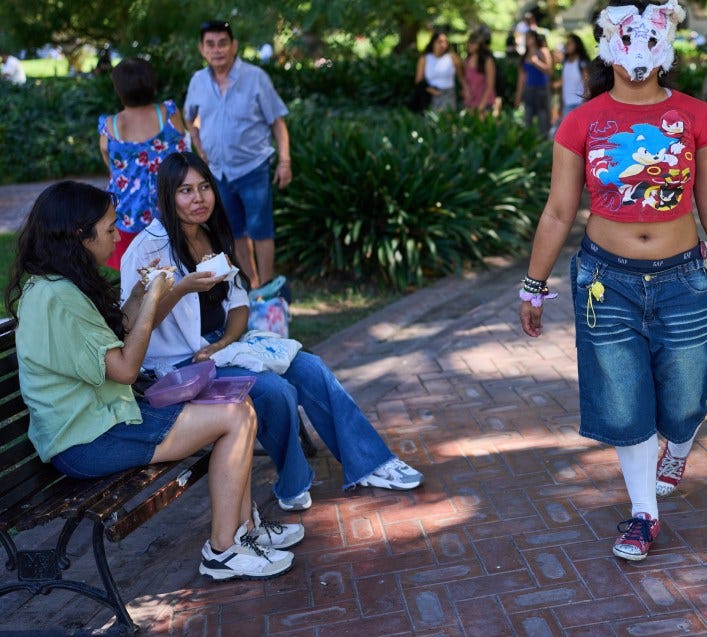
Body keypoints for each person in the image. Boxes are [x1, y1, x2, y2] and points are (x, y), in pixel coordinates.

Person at [519, 0, 707, 563]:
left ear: (667, 43)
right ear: (608, 44)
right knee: (627, 403)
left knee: (685, 397)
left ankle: (677, 448)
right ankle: (642, 514)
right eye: (625, 40)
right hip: (607, 282)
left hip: (681, 277)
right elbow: (559, 212)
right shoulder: (581, 121)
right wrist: (533, 286)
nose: (638, 53)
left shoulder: (698, 116)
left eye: (650, 39)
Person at [4, 180, 302, 581]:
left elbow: (116, 332)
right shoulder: (58, 298)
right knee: (235, 416)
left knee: (238, 408)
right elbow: (126, 367)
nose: (116, 237)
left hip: (102, 420)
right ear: (80, 235)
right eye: (109, 230)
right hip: (88, 438)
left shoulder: (57, 283)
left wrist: (145, 290)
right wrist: (163, 291)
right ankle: (222, 550)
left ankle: (244, 532)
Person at [120, 152, 424, 513]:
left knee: (311, 368)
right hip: (179, 368)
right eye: (185, 190)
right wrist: (183, 288)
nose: (198, 198)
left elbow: (239, 302)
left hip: (221, 348)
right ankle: (293, 481)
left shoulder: (210, 234)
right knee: (272, 389)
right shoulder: (146, 249)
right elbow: (136, 327)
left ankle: (371, 462)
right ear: (166, 196)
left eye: (204, 187)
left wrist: (223, 342)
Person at [185, 19, 291, 288]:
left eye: (223, 43)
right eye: (210, 44)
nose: (217, 50)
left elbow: (277, 122)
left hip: (252, 168)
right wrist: (199, 147)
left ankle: (267, 288)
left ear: (234, 46)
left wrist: (285, 161)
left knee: (261, 230)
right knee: (235, 232)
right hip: (218, 172)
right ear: (201, 49)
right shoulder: (198, 81)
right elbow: (189, 119)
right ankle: (252, 285)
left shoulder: (255, 77)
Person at [98, 57, 188, 269]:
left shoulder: (111, 125)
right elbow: (183, 144)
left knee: (134, 273)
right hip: (170, 208)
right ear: (151, 83)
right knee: (176, 269)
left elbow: (108, 160)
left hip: (128, 213)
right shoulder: (169, 114)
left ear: (118, 89)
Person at [514, 30, 554, 135]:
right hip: (529, 89)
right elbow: (521, 77)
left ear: (535, 38)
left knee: (543, 117)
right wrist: (518, 95)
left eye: (530, 37)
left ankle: (544, 141)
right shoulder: (524, 55)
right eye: (526, 37)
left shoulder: (543, 51)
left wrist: (536, 62)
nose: (527, 39)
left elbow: (549, 70)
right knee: (527, 117)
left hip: (542, 89)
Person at [414, 31, 463, 112]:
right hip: (431, 95)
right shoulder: (425, 58)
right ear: (433, 43)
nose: (442, 45)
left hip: (449, 94)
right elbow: (418, 81)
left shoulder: (452, 57)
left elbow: (461, 77)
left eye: (445, 42)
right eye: (439, 42)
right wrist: (431, 90)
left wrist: (466, 90)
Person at [556, 34, 590, 123]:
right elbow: (564, 84)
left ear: (577, 45)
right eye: (566, 43)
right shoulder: (565, 63)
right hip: (567, 104)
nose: (567, 45)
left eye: (570, 43)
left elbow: (587, 82)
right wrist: (560, 104)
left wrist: (585, 100)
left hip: (580, 103)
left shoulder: (582, 63)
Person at [463, 29, 497, 116]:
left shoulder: (487, 61)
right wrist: (466, 90)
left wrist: (481, 106)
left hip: (485, 103)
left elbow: (490, 86)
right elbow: (466, 81)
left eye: (473, 43)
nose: (469, 45)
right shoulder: (467, 60)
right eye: (469, 42)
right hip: (470, 102)